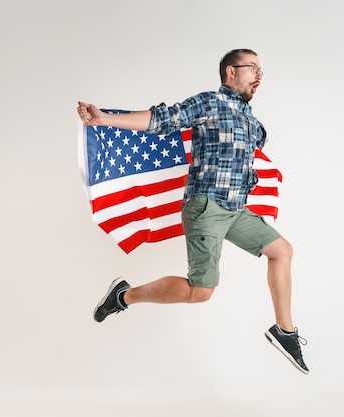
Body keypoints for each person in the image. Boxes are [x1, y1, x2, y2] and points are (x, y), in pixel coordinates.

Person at [77, 48, 308, 374]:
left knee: (282, 251)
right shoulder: (210, 103)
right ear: (231, 71)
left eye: (261, 71)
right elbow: (161, 119)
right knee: (200, 292)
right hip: (207, 206)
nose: (259, 76)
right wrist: (104, 119)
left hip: (234, 209)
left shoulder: (249, 118)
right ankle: (124, 296)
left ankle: (284, 332)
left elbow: (254, 145)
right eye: (252, 68)